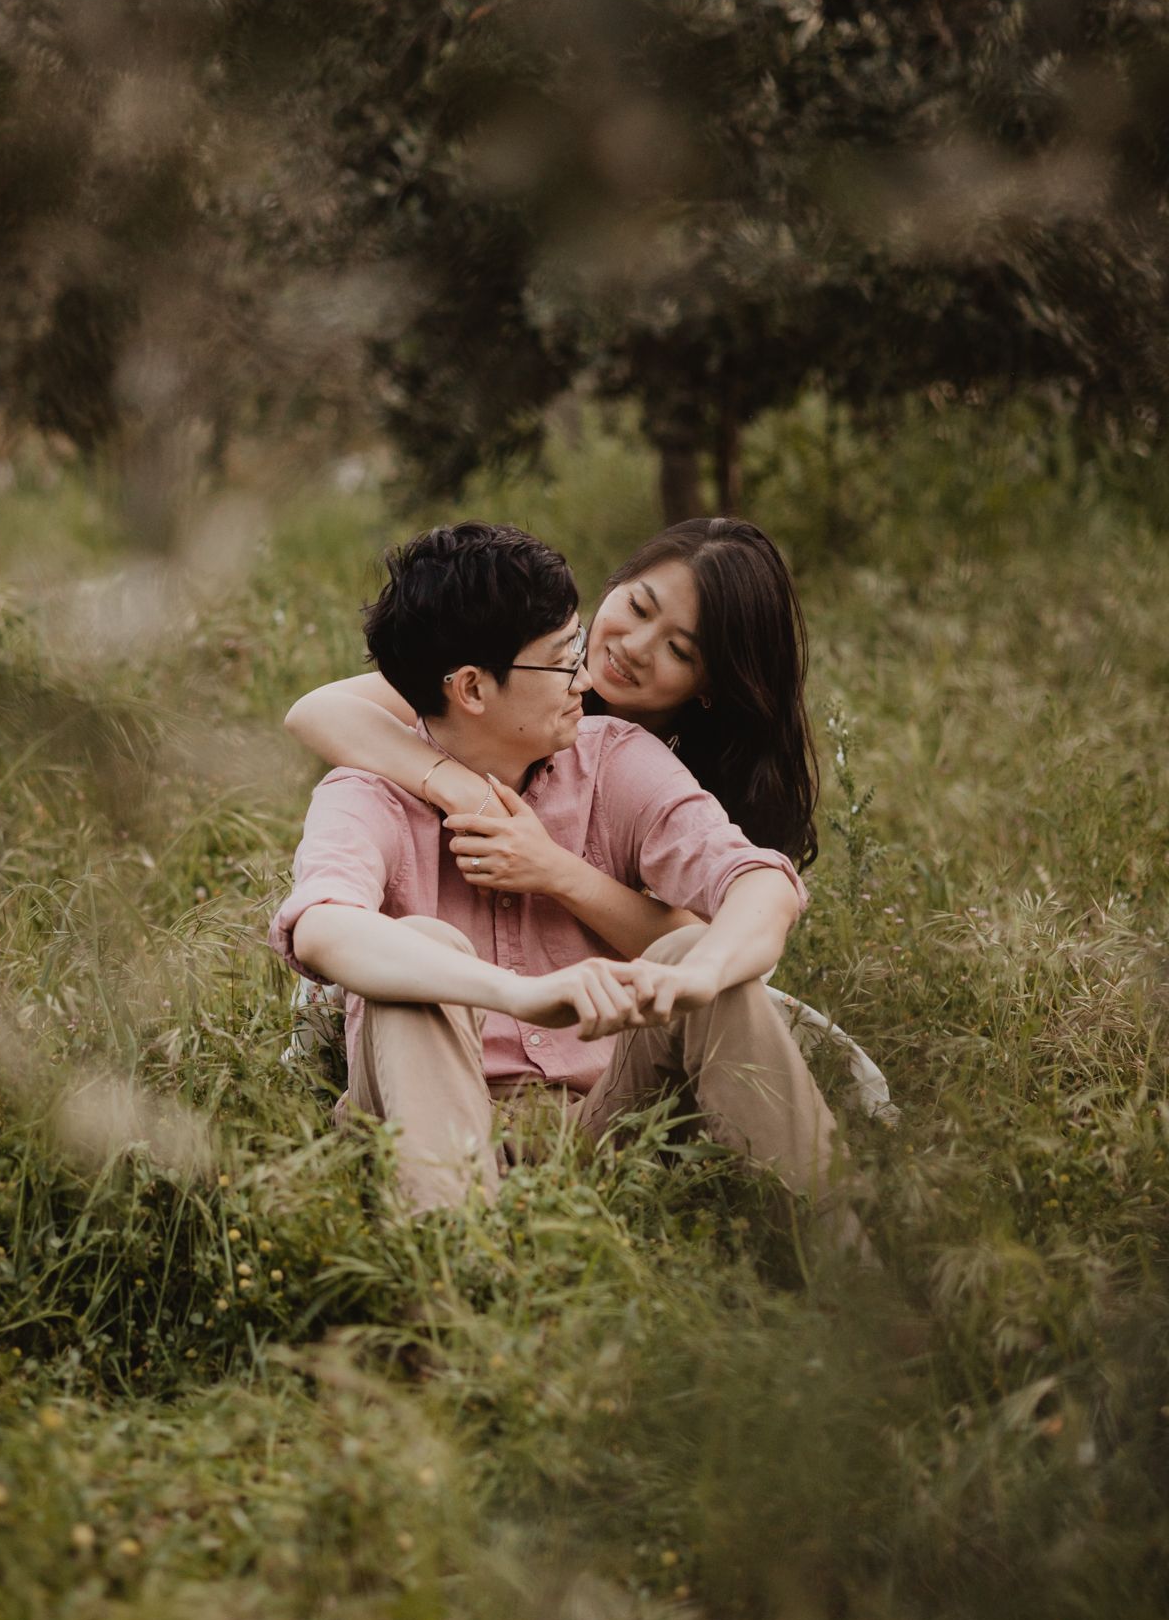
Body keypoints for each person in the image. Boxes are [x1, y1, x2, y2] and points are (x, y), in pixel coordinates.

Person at [268, 521, 866, 1239]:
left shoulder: (617, 756)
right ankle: (460, 1273)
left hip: (602, 1111)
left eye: (680, 650)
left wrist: (694, 972)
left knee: (700, 960)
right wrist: (515, 990)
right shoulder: (377, 779)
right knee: (422, 953)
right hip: (431, 1109)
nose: (598, 669)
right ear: (470, 689)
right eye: (570, 658)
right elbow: (325, 915)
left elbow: (751, 879)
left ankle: (846, 1266)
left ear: (710, 683)